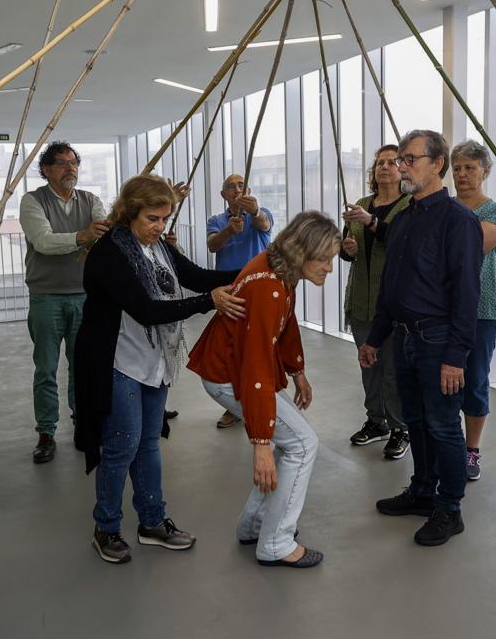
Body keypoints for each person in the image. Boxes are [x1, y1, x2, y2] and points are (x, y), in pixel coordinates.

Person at [74, 175, 244, 564]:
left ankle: (151, 521)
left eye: (165, 219)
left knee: (149, 444)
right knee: (121, 447)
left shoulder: (157, 248)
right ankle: (107, 527)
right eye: (152, 218)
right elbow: (146, 310)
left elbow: (195, 276)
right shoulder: (109, 253)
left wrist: (250, 270)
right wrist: (208, 302)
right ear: (130, 212)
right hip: (118, 361)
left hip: (154, 360)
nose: (160, 227)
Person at [352, 129, 482, 548]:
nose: (403, 167)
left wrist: (455, 356)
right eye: (401, 160)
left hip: (439, 339)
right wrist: (375, 338)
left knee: (444, 427)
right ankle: (424, 491)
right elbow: (393, 286)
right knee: (418, 422)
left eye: (410, 159)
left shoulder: (459, 221)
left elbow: (466, 294)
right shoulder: (404, 218)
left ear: (437, 163)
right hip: (406, 339)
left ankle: (450, 509)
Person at [190, 211, 338, 568]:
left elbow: (284, 327)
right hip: (230, 375)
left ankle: (255, 525)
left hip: (233, 369)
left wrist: (297, 370)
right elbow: (254, 366)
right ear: (302, 252)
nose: (330, 268)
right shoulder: (267, 287)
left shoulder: (281, 271)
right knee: (302, 444)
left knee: (292, 443)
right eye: (325, 258)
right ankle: (275, 542)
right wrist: (260, 443)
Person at [19, 141, 109, 464]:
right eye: (61, 163)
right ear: (45, 169)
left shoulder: (90, 200)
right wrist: (82, 237)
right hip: (46, 298)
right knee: (46, 368)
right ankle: (46, 432)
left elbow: (105, 230)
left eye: (74, 162)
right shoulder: (33, 202)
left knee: (81, 366)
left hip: (84, 297)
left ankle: (81, 424)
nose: (70, 168)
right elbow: (43, 242)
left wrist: (101, 231)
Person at [339, 145, 411, 459]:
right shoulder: (361, 205)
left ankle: (400, 427)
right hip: (361, 300)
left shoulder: (411, 205)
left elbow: (401, 241)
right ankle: (376, 421)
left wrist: (371, 222)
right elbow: (345, 249)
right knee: (369, 365)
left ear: (403, 170)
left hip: (394, 302)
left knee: (394, 368)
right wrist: (346, 248)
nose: (385, 167)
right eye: (380, 162)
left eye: (392, 162)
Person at [451, 140, 496, 481]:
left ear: (485, 172)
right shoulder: (444, 207)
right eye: (457, 168)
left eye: (470, 168)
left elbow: (475, 246)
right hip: (444, 308)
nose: (462, 174)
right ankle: (448, 443)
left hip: (482, 307)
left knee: (474, 379)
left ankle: (471, 450)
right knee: (445, 379)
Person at [206, 173, 274, 429]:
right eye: (230, 187)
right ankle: (234, 406)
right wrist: (228, 230)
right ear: (223, 195)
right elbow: (213, 245)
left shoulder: (260, 212)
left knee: (261, 348)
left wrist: (254, 211)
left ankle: (263, 401)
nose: (236, 189)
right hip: (230, 293)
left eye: (241, 185)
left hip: (259, 291)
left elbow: (265, 224)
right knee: (232, 349)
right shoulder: (216, 220)